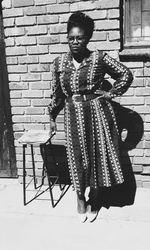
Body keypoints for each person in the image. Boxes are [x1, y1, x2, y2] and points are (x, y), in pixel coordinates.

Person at [48, 11, 133, 223]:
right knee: (77, 157)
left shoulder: (98, 58)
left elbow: (125, 74)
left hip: (97, 115)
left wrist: (110, 93)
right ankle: (79, 198)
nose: (75, 42)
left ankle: (95, 197)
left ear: (88, 38)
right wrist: (51, 117)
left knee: (97, 156)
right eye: (71, 38)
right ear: (67, 38)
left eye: (80, 38)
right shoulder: (59, 63)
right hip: (72, 116)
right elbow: (56, 94)